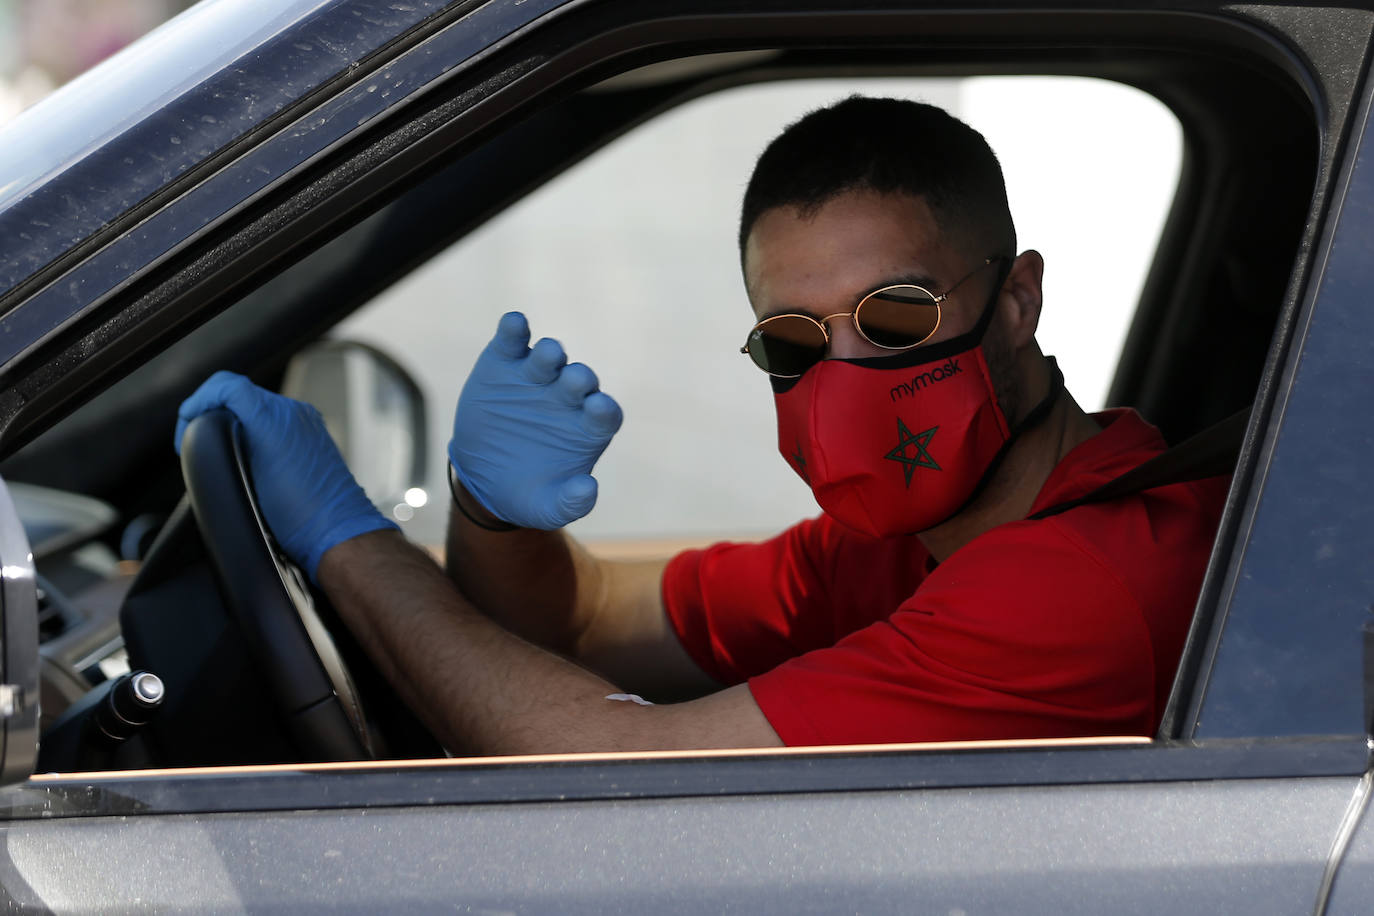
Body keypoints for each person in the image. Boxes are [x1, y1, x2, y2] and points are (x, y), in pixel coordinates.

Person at [175, 97, 1227, 755]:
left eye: (896, 316)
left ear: (1016, 301)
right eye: (793, 341)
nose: (845, 371)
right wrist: (491, 515)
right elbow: (582, 619)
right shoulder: (904, 542)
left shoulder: (1080, 583)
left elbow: (604, 780)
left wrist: (346, 541)